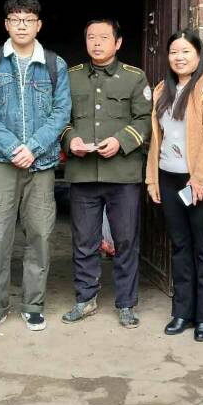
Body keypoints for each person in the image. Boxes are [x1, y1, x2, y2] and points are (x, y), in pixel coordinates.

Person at [0, 0, 71, 334]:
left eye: (28, 20)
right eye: (16, 19)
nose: (22, 26)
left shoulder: (55, 64)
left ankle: (33, 305)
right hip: (2, 162)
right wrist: (14, 147)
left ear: (38, 25)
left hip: (41, 165)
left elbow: (61, 111)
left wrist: (35, 147)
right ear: (6, 24)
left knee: (40, 235)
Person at [60, 19, 151, 329]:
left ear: (118, 42)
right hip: (83, 173)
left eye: (103, 37)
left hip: (122, 174)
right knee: (84, 241)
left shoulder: (134, 77)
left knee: (126, 241)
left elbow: (145, 119)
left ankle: (126, 303)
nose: (96, 43)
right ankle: (85, 298)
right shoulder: (71, 77)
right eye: (91, 37)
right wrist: (70, 140)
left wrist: (121, 141)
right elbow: (61, 118)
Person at [145, 29, 203, 343]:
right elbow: (157, 139)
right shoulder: (162, 89)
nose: (179, 58)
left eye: (185, 52)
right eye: (173, 52)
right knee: (180, 246)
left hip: (199, 180)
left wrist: (200, 177)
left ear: (198, 54)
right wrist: (152, 178)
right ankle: (182, 311)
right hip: (169, 177)